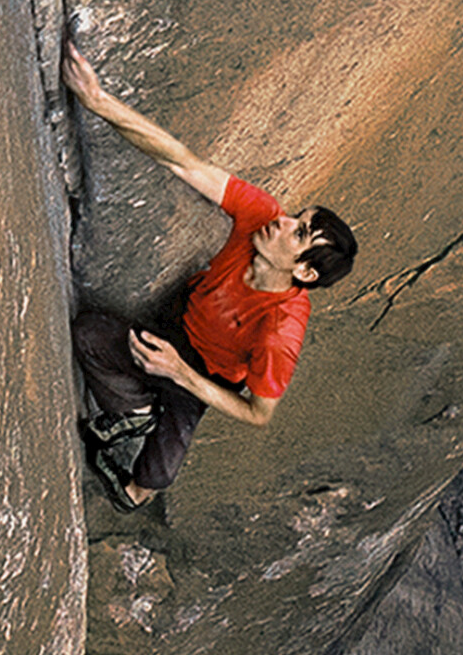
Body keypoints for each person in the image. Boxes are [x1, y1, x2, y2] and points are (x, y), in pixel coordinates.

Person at [63, 41, 357, 511]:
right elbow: (181, 160)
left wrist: (181, 373)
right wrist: (98, 101)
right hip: (179, 323)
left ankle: (138, 455)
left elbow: (259, 414)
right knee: (89, 335)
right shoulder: (261, 215)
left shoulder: (280, 332)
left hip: (206, 373)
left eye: (298, 232)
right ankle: (135, 413)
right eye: (297, 217)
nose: (282, 221)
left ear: (303, 270)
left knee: (154, 477)